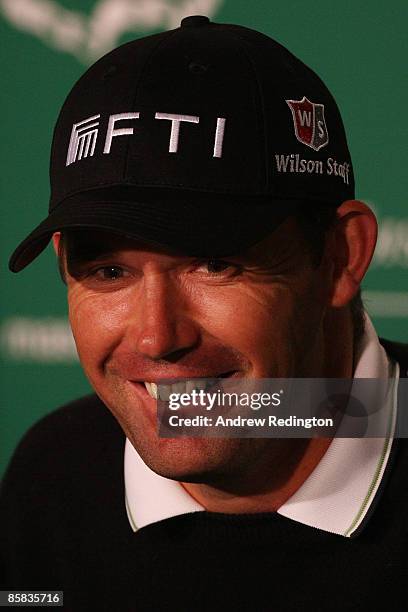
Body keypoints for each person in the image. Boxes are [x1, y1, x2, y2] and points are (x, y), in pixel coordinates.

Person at [1, 15, 407, 611]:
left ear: (340, 258)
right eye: (109, 272)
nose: (158, 336)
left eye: (214, 264)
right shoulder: (54, 473)